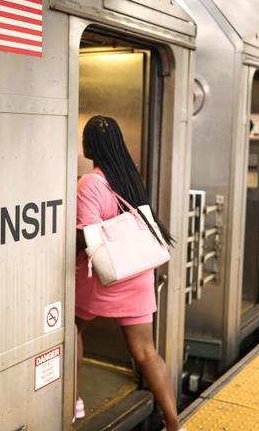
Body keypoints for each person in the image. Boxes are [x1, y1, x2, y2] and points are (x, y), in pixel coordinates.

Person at [75, 116, 184, 431]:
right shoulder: (128, 177)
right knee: (147, 352)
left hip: (106, 274)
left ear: (89, 146)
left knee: (71, 329)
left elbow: (88, 235)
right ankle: (175, 425)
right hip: (138, 275)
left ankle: (74, 400)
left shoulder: (90, 183)